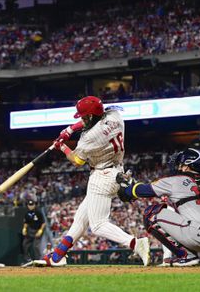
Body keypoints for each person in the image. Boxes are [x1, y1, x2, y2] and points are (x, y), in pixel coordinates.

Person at [33, 96, 150, 267]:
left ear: (92, 116)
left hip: (101, 176)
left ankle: (135, 243)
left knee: (98, 225)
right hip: (117, 171)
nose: (82, 119)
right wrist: (70, 129)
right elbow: (92, 121)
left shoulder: (90, 138)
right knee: (80, 219)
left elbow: (77, 160)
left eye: (84, 116)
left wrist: (62, 146)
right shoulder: (114, 115)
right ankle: (58, 256)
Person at [116, 148, 200, 267]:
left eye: (180, 164)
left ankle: (186, 256)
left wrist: (126, 187)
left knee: (150, 213)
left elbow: (139, 191)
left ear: (187, 166)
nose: (177, 167)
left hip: (198, 236)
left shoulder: (174, 180)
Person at [21, 198, 46, 263]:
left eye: (32, 205)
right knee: (25, 244)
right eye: (29, 205)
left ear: (34, 205)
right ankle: (27, 259)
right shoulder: (27, 213)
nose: (30, 206)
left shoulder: (38, 212)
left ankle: (39, 260)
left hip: (38, 230)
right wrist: (24, 228)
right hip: (30, 230)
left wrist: (40, 230)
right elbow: (26, 222)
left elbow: (43, 223)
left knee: (36, 246)